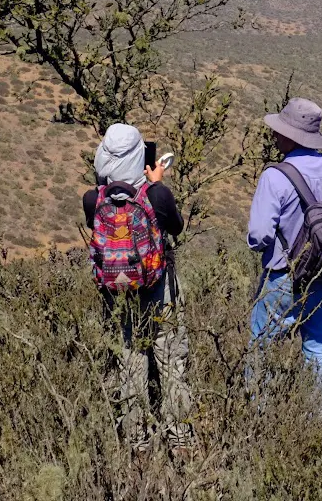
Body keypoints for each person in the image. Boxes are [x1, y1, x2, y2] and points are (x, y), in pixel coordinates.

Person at [82, 123, 193, 447]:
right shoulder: (156, 195)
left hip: (116, 294)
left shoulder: (93, 199)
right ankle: (179, 437)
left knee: (130, 360)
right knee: (170, 359)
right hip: (158, 288)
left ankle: (136, 440)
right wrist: (156, 183)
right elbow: (177, 227)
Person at [247, 98, 322, 392]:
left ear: (291, 136)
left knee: (261, 351)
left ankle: (258, 413)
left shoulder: (275, 176)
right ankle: (316, 415)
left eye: (279, 130)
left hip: (283, 277)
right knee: (319, 349)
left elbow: (259, 235)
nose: (275, 135)